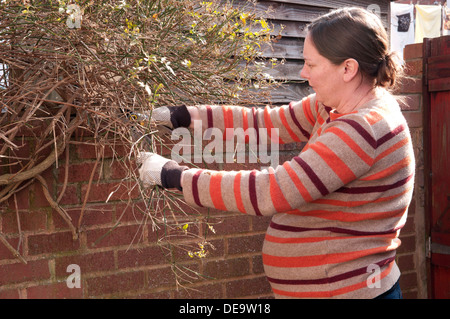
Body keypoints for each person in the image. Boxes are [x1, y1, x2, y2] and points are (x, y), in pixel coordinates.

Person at [137, 7, 414, 299]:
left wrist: (174, 176)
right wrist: (182, 116)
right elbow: (265, 124)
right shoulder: (335, 105)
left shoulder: (362, 129)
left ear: (348, 69)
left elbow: (272, 190)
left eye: (311, 64)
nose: (303, 73)